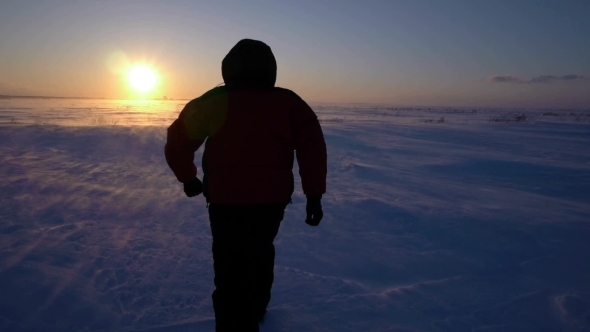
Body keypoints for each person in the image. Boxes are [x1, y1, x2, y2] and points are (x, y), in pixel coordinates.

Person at [164, 39, 327, 332]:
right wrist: (314, 196)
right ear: (271, 69)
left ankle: (239, 321)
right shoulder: (289, 103)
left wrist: (188, 178)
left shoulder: (214, 101)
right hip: (271, 203)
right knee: (260, 250)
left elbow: (178, 142)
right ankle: (256, 307)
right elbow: (312, 151)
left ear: (228, 69)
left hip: (226, 203)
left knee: (231, 270)